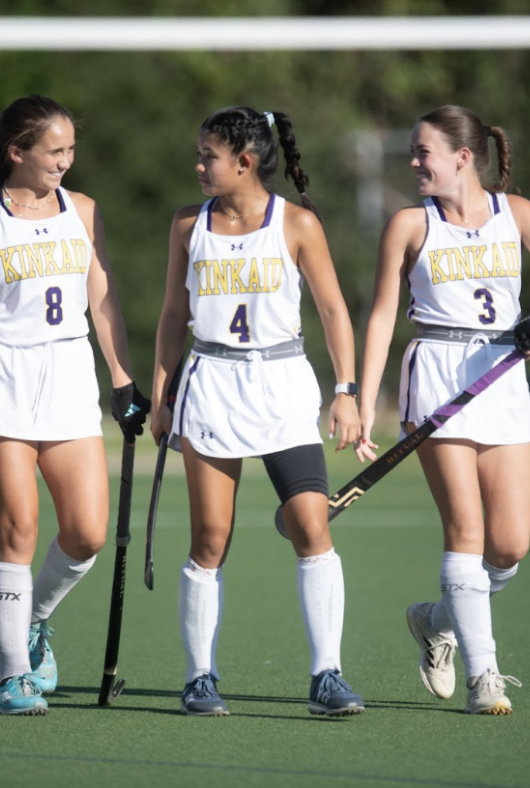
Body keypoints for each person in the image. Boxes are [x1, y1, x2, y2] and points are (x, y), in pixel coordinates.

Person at [355, 105, 530, 715]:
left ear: (463, 157)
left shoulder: (517, 214)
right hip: (436, 376)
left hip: (503, 377)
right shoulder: (410, 224)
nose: (413, 162)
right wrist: (362, 401)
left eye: (423, 152)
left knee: (509, 547)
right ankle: (484, 676)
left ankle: (436, 621)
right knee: (465, 530)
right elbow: (382, 315)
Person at [150, 106, 365, 718]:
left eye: (207, 156)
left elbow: (332, 311)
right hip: (210, 384)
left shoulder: (297, 223)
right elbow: (172, 315)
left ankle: (327, 674)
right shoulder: (188, 224)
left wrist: (345, 390)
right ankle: (199, 678)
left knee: (311, 527)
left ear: (244, 163)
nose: (198, 165)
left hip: (282, 386)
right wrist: (163, 393)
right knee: (210, 539)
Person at [0, 94, 148, 716]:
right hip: (2, 374)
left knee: (85, 532)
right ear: (17, 152)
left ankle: (30, 619)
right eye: (54, 151)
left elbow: (102, 297)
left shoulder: (81, 209)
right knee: (20, 528)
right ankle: (12, 676)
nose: (66, 161)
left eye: (70, 150)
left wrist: (121, 377)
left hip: (68, 374)